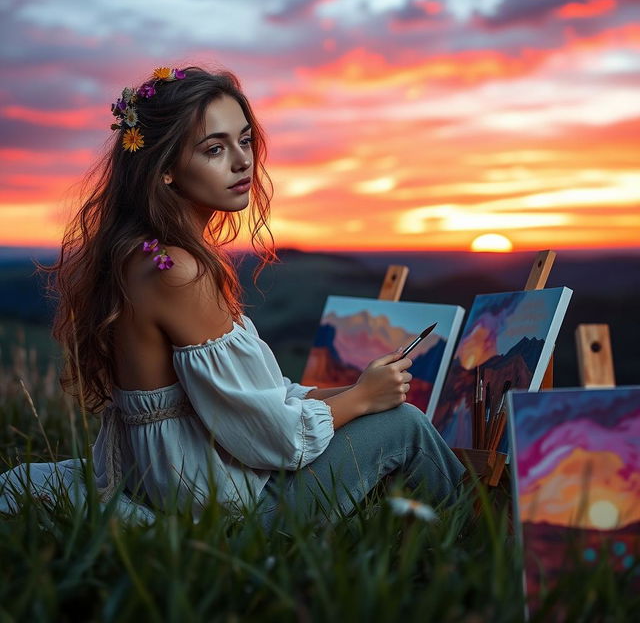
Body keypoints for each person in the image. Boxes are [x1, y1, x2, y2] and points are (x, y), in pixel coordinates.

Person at [0, 66, 464, 525]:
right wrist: (362, 400)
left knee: (384, 412)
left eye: (244, 140)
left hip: (171, 482)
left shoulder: (143, 253)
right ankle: (482, 544)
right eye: (214, 149)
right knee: (405, 425)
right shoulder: (177, 272)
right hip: (219, 509)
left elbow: (251, 400)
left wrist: (356, 389)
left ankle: (413, 532)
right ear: (164, 169)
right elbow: (276, 438)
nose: (243, 161)